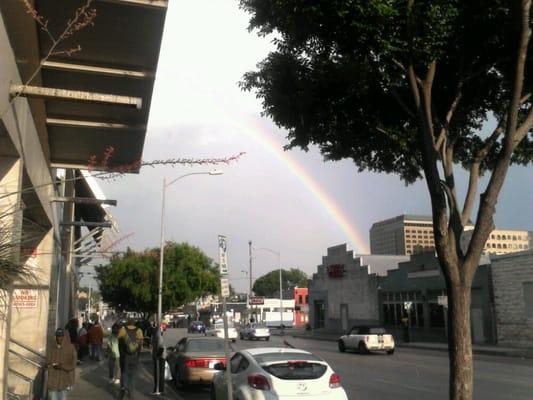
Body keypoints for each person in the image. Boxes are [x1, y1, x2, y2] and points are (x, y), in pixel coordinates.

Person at [46, 328, 77, 400]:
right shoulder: (51, 347)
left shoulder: (71, 348)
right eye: (57, 336)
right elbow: (48, 361)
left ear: (64, 336)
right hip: (53, 380)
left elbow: (73, 364)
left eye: (60, 336)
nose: (58, 338)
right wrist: (47, 365)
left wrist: (63, 366)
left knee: (62, 398)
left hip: (65, 380)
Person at [118, 318, 143, 399]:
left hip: (125, 356)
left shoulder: (123, 330)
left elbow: (119, 340)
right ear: (134, 323)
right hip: (135, 356)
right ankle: (131, 395)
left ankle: (123, 390)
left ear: (128, 323)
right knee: (132, 376)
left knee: (124, 373)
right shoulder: (139, 330)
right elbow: (140, 344)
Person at [151, 325, 165, 396]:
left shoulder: (158, 336)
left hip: (159, 358)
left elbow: (161, 348)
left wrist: (157, 356)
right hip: (159, 357)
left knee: (158, 374)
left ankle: (158, 390)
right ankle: (158, 389)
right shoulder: (156, 336)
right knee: (158, 374)